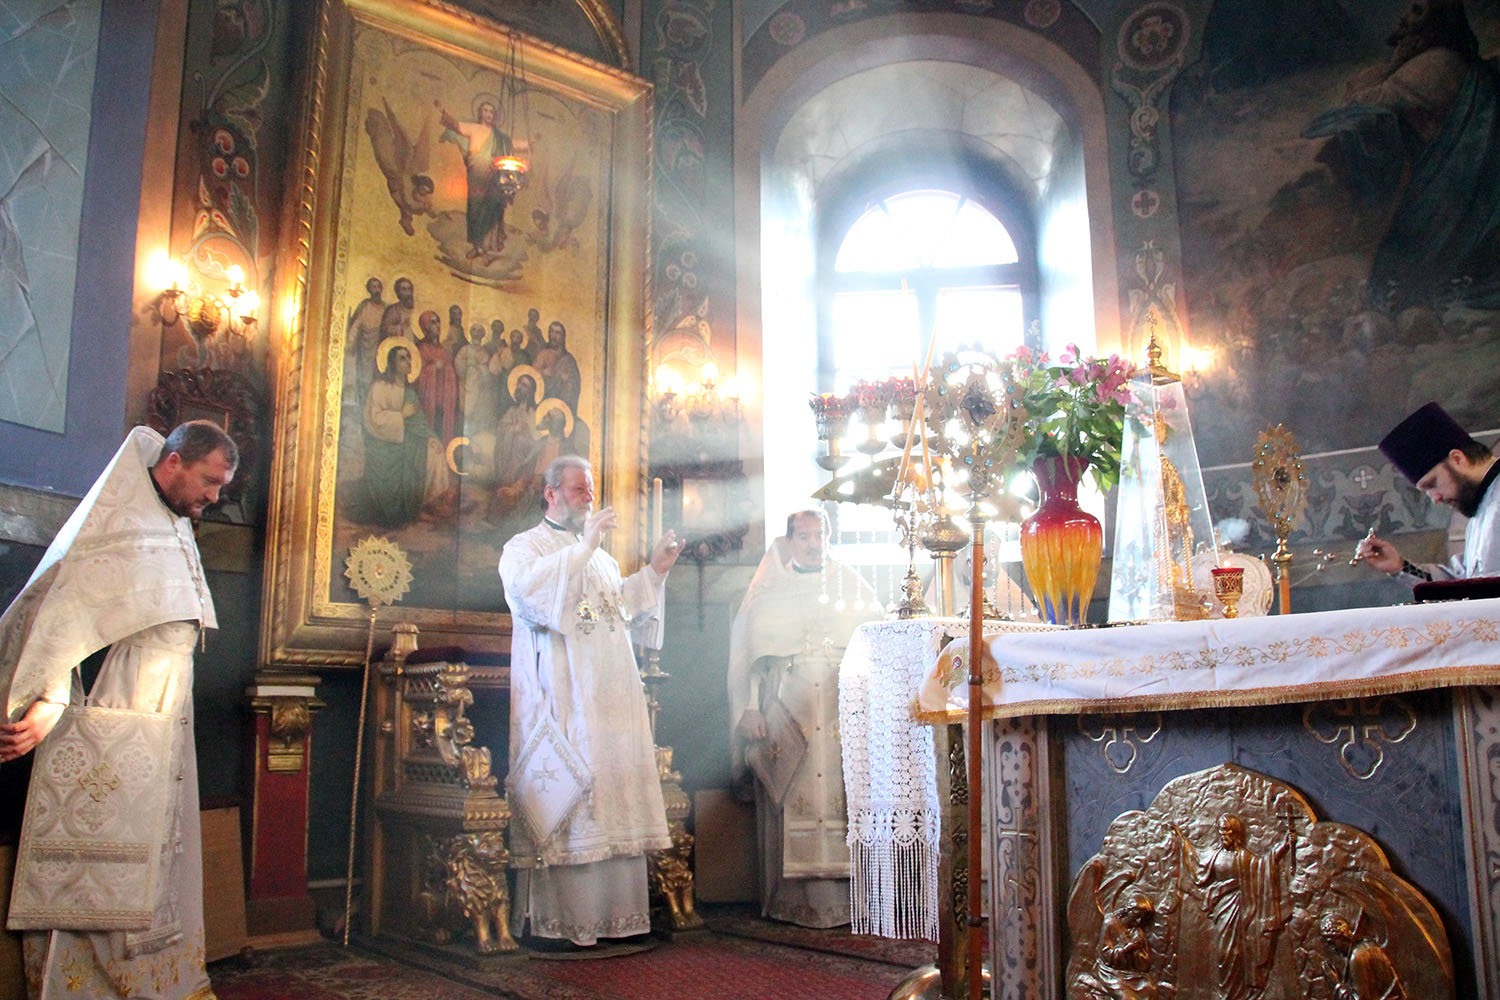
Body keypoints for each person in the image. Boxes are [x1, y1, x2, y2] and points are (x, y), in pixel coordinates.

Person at [0, 420, 236, 1000]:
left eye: (221, 486)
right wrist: (51, 699)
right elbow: (63, 617)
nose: (214, 497)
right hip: (121, 709)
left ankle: (159, 981)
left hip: (168, 717)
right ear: (174, 462)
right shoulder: (120, 520)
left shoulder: (175, 522)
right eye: (208, 481)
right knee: (102, 862)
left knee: (160, 858)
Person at [498, 456, 682, 949]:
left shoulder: (601, 557)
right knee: (575, 789)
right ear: (551, 493)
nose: (589, 496)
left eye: (592, 489)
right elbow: (529, 596)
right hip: (561, 692)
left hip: (610, 694)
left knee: (613, 788)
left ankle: (615, 919)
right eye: (579, 488)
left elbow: (616, 608)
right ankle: (563, 923)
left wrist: (654, 573)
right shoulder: (524, 547)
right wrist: (583, 547)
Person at [726, 509, 879, 927]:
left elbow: (875, 642)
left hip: (841, 710)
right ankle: (792, 902)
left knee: (842, 799)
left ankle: (849, 903)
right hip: (788, 708)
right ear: (790, 541)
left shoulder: (850, 583)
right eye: (804, 536)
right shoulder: (768, 591)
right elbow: (747, 659)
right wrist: (748, 708)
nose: (813, 544)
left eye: (819, 535)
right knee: (792, 794)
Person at [1356, 402, 1499, 583]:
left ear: (1458, 459)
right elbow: (1468, 584)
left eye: (1432, 484)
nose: (1435, 498)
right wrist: (1400, 567)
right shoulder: (1481, 512)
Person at [437, 99, 514, 259]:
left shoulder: (500, 137)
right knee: (475, 209)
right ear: (480, 113)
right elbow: (457, 126)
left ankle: (488, 246)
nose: (488, 114)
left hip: (493, 178)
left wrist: (531, 143)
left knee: (492, 209)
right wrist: (443, 112)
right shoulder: (474, 128)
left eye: (491, 111)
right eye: (485, 110)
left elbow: (513, 144)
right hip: (476, 177)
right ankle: (477, 246)